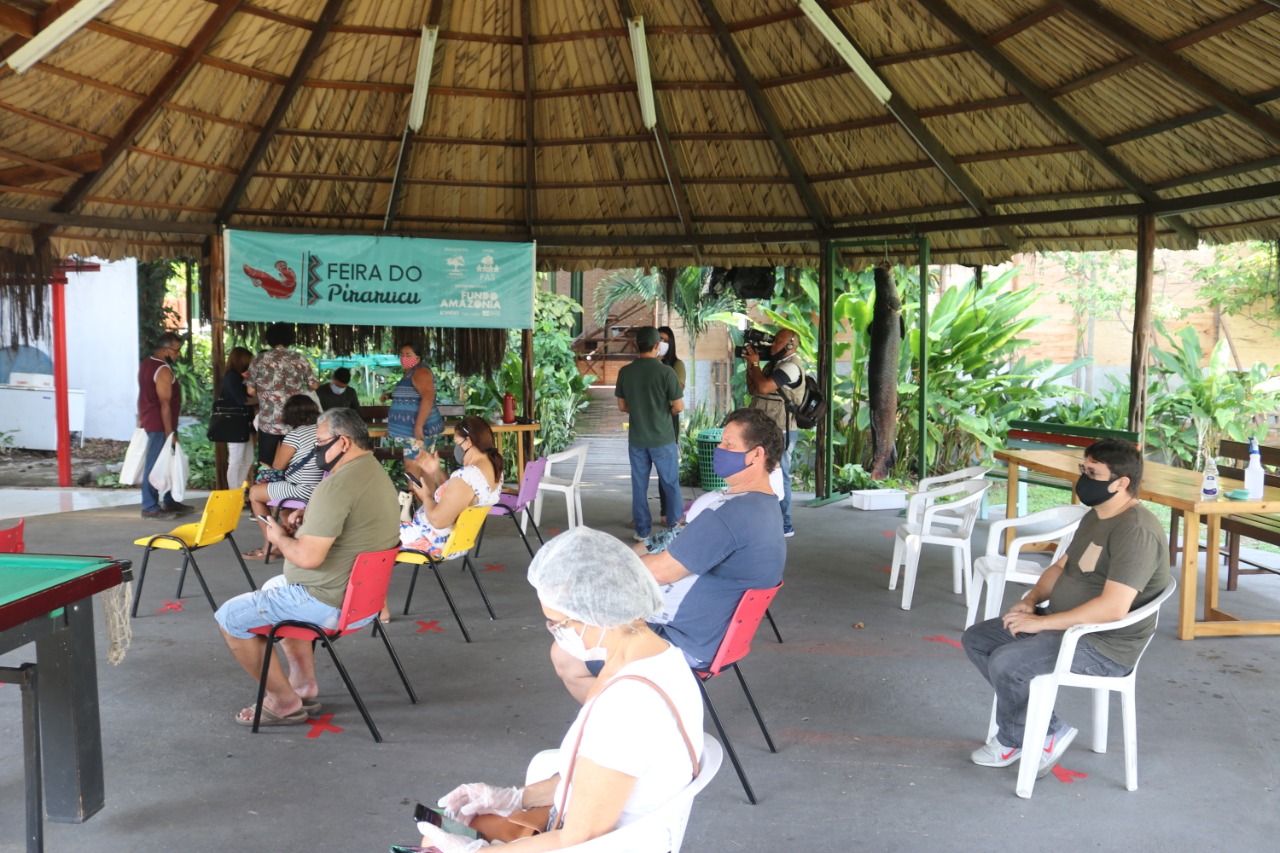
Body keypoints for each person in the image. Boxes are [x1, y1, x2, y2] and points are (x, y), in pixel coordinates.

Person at [418, 527, 703, 852]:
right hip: (608, 827)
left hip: (607, 843)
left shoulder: (629, 707)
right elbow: (595, 779)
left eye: (559, 624)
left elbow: (577, 839)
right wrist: (514, 797)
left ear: (595, 612)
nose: (555, 633)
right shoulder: (657, 659)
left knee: (435, 841)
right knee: (445, 828)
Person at [962, 438, 1169, 779]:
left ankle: (1024, 737)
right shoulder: (1097, 516)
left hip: (1104, 644)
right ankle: (1043, 731)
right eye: (1082, 469)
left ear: (1121, 483)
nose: (1084, 478)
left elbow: (1114, 608)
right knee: (979, 639)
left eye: (1093, 472)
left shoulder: (1135, 531)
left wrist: (1042, 625)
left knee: (1008, 662)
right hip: (1065, 624)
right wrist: (1031, 601)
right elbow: (1060, 568)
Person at [553, 408, 787, 703]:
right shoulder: (764, 506)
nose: (719, 449)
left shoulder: (729, 515)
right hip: (718, 640)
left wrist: (595, 573)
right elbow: (672, 540)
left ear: (756, 455)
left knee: (565, 654)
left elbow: (659, 572)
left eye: (729, 444)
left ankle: (633, 724)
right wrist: (618, 555)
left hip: (681, 643)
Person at [214, 407, 400, 726]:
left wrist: (276, 536)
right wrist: (307, 522)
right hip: (362, 601)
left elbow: (308, 558)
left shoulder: (336, 486)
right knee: (274, 588)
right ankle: (303, 684)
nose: (315, 449)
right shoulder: (374, 474)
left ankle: (283, 701)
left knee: (229, 617)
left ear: (342, 443)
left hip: (326, 602)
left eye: (319, 441)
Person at [614, 326, 684, 541]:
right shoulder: (666, 372)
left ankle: (642, 531)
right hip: (663, 439)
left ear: (637, 345)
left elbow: (622, 406)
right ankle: (674, 529)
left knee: (639, 485)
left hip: (637, 440)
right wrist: (665, 412)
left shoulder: (625, 372)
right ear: (656, 346)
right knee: (670, 484)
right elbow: (678, 407)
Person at [399, 415, 504, 557]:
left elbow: (438, 521)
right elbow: (455, 497)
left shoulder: (468, 476)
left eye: (457, 442)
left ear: (468, 441)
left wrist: (426, 496)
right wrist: (436, 471)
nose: (457, 449)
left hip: (428, 539)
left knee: (371, 535)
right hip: (455, 541)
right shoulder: (493, 470)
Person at [243, 395, 324, 560]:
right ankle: (289, 541)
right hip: (321, 489)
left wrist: (268, 467)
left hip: (302, 489)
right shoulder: (323, 430)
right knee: (279, 495)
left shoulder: (296, 435)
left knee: (254, 493)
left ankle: (270, 545)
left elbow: (278, 466)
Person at [745, 327, 804, 538]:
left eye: (778, 342)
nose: (773, 345)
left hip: (782, 430)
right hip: (767, 428)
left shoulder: (791, 367)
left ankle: (785, 525)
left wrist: (754, 364)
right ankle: (768, 520)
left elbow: (763, 387)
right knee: (764, 474)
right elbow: (752, 388)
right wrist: (750, 365)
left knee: (781, 475)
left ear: (791, 345)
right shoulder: (774, 364)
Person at [246, 323, 317, 469]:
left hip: (268, 421)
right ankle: (289, 490)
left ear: (269, 339)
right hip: (295, 420)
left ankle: (266, 489)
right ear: (290, 339)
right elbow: (314, 385)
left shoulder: (259, 359)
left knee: (266, 463)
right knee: (294, 462)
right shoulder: (299, 358)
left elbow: (250, 391)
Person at [137, 331, 192, 519]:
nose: (178, 354)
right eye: (176, 351)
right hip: (160, 424)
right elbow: (165, 403)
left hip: (151, 420)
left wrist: (140, 419)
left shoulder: (146, 364)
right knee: (155, 465)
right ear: (165, 349)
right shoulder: (163, 370)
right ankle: (150, 506)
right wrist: (170, 433)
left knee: (167, 462)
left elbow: (142, 393)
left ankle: (169, 501)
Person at [384, 340, 444, 462]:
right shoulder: (409, 373)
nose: (403, 358)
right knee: (416, 466)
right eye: (402, 354)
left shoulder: (420, 371)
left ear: (417, 358)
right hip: (409, 431)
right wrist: (390, 396)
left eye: (408, 355)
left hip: (418, 430)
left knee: (416, 467)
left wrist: (418, 426)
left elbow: (428, 397)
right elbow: (411, 394)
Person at [656, 326, 686, 526]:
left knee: (667, 471)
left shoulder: (677, 364)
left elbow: (677, 390)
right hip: (649, 419)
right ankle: (643, 515)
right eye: (658, 339)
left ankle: (668, 512)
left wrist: (661, 367)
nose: (662, 343)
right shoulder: (645, 364)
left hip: (668, 418)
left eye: (665, 340)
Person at [222, 346, 258, 490]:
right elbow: (242, 400)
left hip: (244, 423)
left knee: (248, 458)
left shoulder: (238, 376)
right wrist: (263, 399)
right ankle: (233, 492)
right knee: (236, 459)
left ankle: (237, 489)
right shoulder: (232, 376)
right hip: (235, 424)